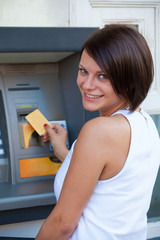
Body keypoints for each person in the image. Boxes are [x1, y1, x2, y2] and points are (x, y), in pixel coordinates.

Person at [36, 24, 160, 240]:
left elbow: (63, 223)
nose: (87, 84)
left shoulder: (99, 131)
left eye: (103, 76)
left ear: (129, 79)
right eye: (83, 71)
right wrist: (63, 151)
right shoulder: (145, 122)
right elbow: (106, 181)